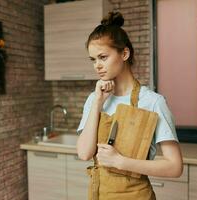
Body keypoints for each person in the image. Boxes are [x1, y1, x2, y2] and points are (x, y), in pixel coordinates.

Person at [76, 11, 183, 199]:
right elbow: (84, 153)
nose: (97, 66)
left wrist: (119, 161)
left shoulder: (152, 101)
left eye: (103, 57)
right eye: (93, 60)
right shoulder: (95, 99)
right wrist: (97, 103)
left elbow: (175, 167)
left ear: (124, 53)